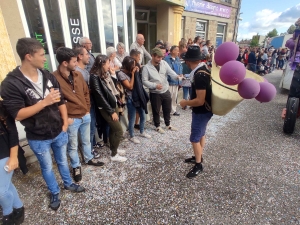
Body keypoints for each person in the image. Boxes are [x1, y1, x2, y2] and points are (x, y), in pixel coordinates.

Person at [1, 38, 85, 211]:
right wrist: (44, 102)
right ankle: (54, 192)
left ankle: (68, 183)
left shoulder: (47, 75)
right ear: (28, 57)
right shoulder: (11, 84)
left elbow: (60, 101)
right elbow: (17, 114)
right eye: (41, 54)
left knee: (62, 161)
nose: (45, 58)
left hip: (58, 131)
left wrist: (64, 124)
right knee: (47, 166)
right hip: (38, 137)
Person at [53, 47, 104, 183]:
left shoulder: (78, 74)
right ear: (65, 63)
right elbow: (55, 102)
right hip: (71, 118)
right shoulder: (54, 78)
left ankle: (88, 158)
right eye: (74, 61)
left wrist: (87, 108)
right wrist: (65, 118)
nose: (76, 64)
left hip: (85, 114)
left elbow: (86, 92)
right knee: (73, 145)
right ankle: (76, 166)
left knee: (87, 140)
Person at [179, 45, 213, 178]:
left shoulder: (199, 75)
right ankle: (198, 156)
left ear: (188, 61)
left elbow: (199, 100)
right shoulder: (203, 69)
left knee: (194, 138)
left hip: (201, 110)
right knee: (201, 134)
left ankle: (198, 165)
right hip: (206, 109)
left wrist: (185, 102)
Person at [90, 55, 127, 162]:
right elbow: (99, 95)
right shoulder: (94, 77)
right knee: (119, 130)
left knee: (113, 129)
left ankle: (113, 149)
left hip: (112, 103)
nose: (109, 65)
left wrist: (113, 74)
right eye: (107, 63)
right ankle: (114, 155)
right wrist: (111, 111)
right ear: (102, 64)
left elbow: (113, 87)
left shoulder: (104, 74)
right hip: (107, 107)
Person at [142, 48, 181, 133]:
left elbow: (170, 71)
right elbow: (144, 81)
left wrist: (176, 76)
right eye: (158, 57)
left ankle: (168, 124)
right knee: (156, 110)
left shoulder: (164, 63)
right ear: (152, 56)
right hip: (155, 92)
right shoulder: (146, 67)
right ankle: (157, 126)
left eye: (161, 57)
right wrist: (154, 85)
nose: (160, 59)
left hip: (165, 89)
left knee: (167, 108)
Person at [74, 47, 103, 158]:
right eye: (86, 54)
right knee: (89, 129)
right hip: (85, 106)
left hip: (91, 103)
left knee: (92, 127)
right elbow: (80, 92)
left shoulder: (85, 70)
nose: (89, 56)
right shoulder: (77, 72)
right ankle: (89, 151)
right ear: (80, 56)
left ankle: (92, 145)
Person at [0, 102, 24, 224]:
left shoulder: (1, 107)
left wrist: (14, 156)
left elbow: (13, 133)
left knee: (1, 190)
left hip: (4, 154)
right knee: (5, 184)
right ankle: (18, 207)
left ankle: (7, 213)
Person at [118, 56, 151, 144]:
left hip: (138, 96)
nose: (133, 66)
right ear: (128, 65)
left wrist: (138, 71)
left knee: (143, 115)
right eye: (132, 65)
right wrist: (133, 74)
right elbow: (130, 87)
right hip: (130, 98)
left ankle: (142, 131)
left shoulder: (132, 70)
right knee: (132, 118)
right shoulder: (121, 74)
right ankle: (132, 135)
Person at [164, 45, 183, 116]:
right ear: (172, 51)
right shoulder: (167, 59)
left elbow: (180, 67)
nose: (178, 52)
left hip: (177, 81)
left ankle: (173, 110)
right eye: (177, 50)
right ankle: (167, 111)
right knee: (169, 97)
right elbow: (168, 71)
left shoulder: (177, 59)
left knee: (174, 96)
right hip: (170, 81)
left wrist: (181, 74)